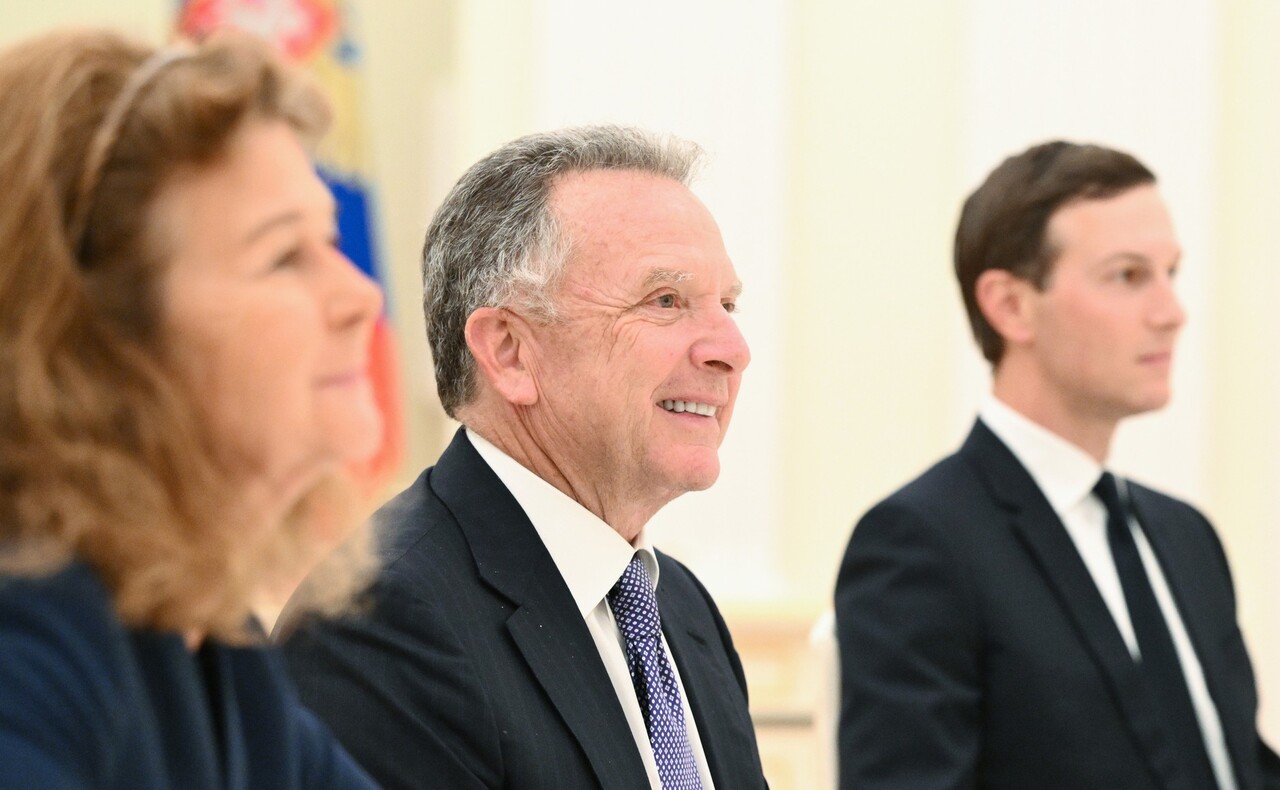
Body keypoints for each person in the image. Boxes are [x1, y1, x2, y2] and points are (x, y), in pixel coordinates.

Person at [278, 125, 768, 790]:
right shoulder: (377, 622)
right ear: (509, 352)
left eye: (728, 304)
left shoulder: (678, 606)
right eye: (665, 301)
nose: (731, 349)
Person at [0, 27, 385, 788]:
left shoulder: (220, 647)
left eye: (331, 241)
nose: (362, 296)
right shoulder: (27, 640)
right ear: (97, 339)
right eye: (283, 256)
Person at [834, 140, 1280, 789]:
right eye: (1128, 276)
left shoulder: (1186, 536)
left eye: (1171, 273)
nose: (1172, 312)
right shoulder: (920, 544)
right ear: (1011, 306)